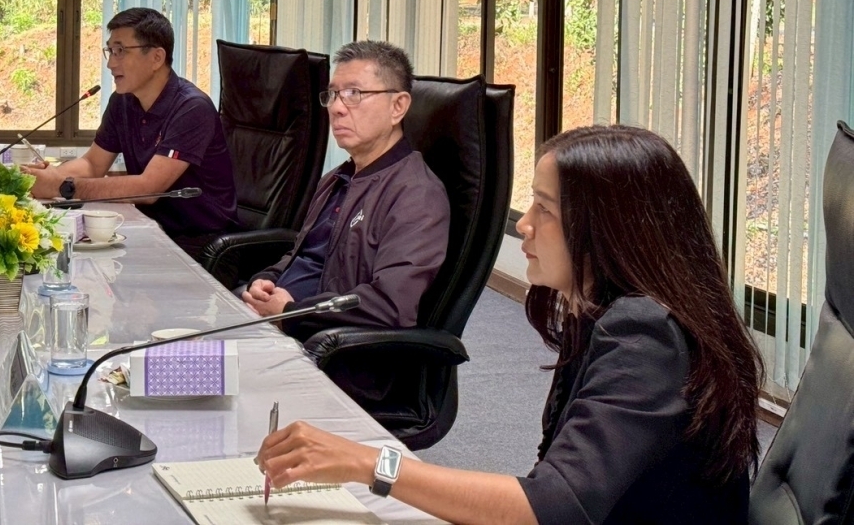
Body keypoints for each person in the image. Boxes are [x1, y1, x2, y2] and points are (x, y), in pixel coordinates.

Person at [256, 125, 763, 525]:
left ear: (607, 226)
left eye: (544, 208)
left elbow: (554, 505)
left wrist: (371, 464)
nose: (523, 224)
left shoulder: (645, 334)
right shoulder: (601, 312)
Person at [240, 41, 449, 348]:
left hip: (325, 349)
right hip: (278, 326)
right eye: (333, 94)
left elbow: (390, 305)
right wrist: (266, 281)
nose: (337, 108)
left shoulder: (417, 195)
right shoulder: (337, 179)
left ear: (398, 107)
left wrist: (291, 312)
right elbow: (304, 256)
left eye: (354, 94)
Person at [23, 7, 239, 261]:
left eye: (121, 51)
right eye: (110, 51)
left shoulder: (191, 108)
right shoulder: (123, 101)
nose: (110, 63)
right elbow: (92, 164)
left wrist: (62, 186)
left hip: (202, 244)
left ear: (156, 57)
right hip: (151, 231)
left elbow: (149, 189)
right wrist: (45, 177)